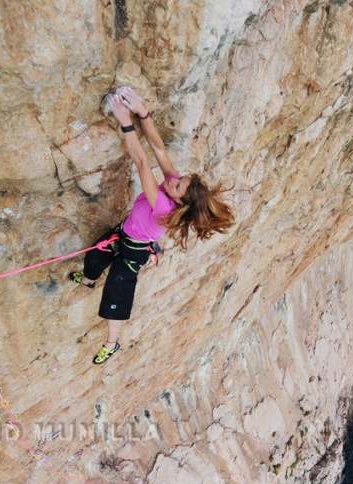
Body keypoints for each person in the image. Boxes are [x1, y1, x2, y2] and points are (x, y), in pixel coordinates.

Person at [70, 87, 234, 364]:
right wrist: (142, 111)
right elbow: (158, 148)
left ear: (180, 201)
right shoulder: (174, 187)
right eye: (178, 179)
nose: (173, 179)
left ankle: (112, 343)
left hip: (135, 250)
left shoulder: (164, 206)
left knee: (116, 292)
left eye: (178, 185)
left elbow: (142, 161)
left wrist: (124, 118)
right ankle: (86, 281)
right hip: (126, 233)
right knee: (96, 254)